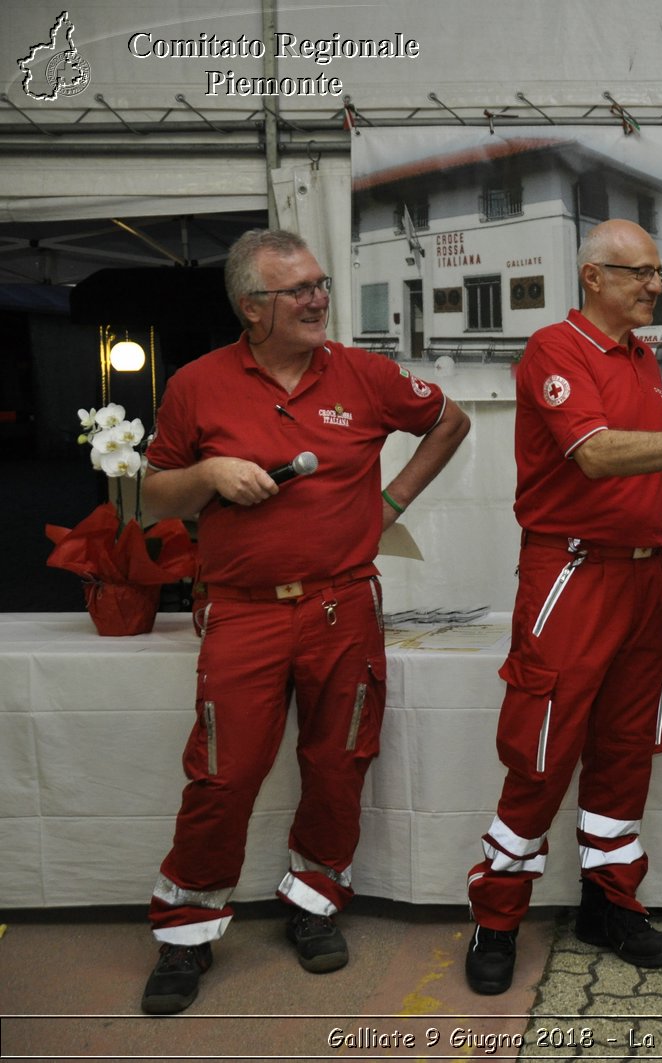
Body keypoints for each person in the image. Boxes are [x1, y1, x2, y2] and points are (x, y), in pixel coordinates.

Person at [138, 229, 471, 1015]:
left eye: (321, 284)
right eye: (300, 290)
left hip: (342, 604)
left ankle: (314, 904)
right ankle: (186, 930)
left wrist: (390, 505)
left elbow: (449, 422)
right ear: (253, 308)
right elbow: (154, 496)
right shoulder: (196, 384)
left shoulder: (363, 372)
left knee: (339, 761)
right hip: (243, 613)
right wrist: (208, 474)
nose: (320, 299)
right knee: (224, 774)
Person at [463, 219, 662, 995]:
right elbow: (597, 453)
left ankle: (609, 902)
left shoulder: (640, 356)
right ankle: (499, 914)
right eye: (639, 273)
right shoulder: (555, 349)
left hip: (642, 576)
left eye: (657, 271)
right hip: (571, 572)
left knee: (626, 748)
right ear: (592, 278)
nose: (655, 285)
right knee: (541, 750)